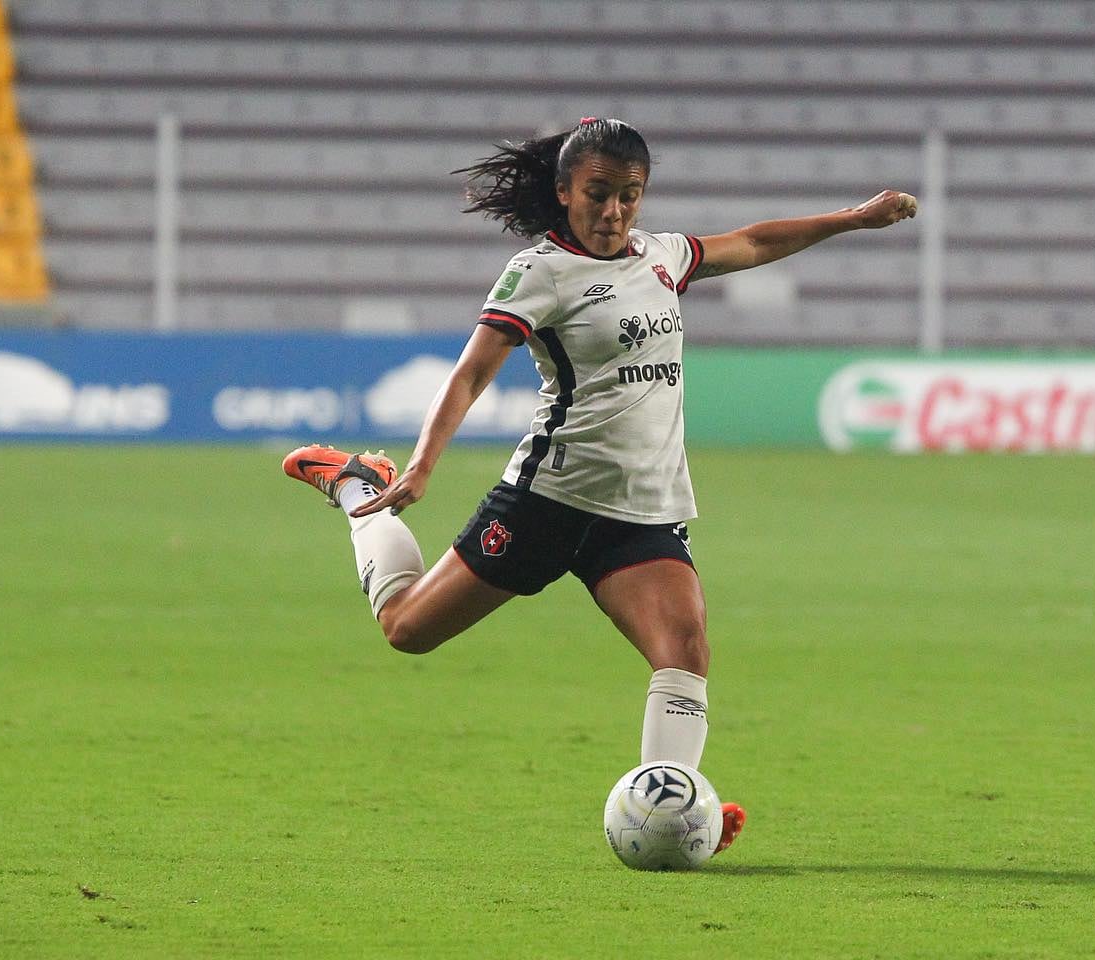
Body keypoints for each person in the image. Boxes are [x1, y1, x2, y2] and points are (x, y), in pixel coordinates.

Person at [283, 117, 917, 856]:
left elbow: (756, 242)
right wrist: (423, 465)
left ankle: (676, 815)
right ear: (564, 192)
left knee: (684, 650)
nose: (615, 213)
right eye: (598, 195)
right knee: (407, 631)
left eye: (629, 196)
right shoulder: (539, 273)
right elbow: (471, 373)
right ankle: (362, 490)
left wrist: (855, 218)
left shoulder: (664, 255)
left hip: (641, 513)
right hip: (549, 500)